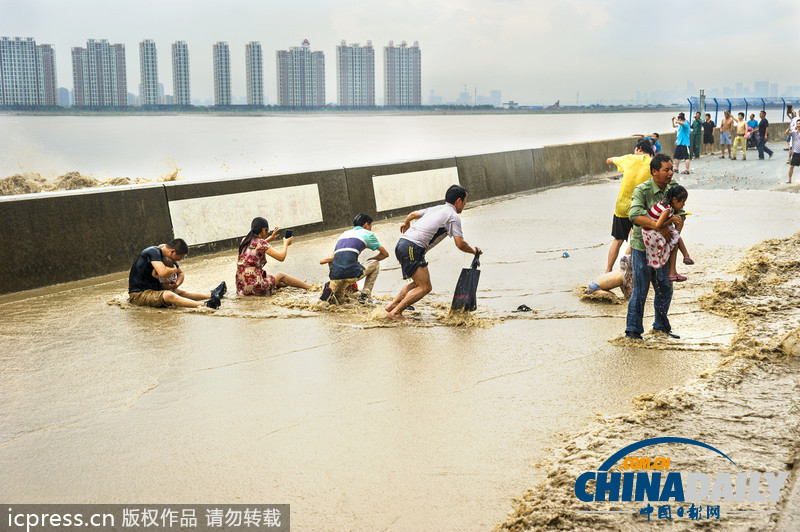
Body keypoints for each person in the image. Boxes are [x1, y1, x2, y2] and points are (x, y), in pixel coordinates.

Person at [385, 185, 480, 322]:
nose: (465, 204)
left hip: (401, 244)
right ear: (458, 201)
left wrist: (406, 223)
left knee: (418, 283)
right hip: (413, 248)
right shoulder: (453, 216)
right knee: (425, 287)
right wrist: (474, 251)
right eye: (465, 201)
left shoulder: (437, 208)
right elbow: (460, 244)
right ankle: (396, 312)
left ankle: (392, 306)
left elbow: (412, 215)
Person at [624, 153, 686, 340]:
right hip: (642, 247)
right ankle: (633, 331)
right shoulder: (642, 190)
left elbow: (680, 212)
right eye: (666, 170)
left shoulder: (673, 188)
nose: (670, 173)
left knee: (665, 287)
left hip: (663, 248)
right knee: (640, 289)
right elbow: (634, 215)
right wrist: (660, 226)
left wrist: (674, 227)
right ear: (654, 172)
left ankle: (660, 327)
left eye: (671, 169)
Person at [128, 238, 226, 309]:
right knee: (169, 295)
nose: (179, 260)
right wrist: (174, 270)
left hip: (154, 289)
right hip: (139, 294)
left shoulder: (167, 257)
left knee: (180, 292)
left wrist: (176, 284)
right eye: (180, 258)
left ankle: (212, 295)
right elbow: (163, 273)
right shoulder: (152, 252)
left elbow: (181, 273)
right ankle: (206, 305)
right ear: (173, 252)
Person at [604, 138, 654, 273]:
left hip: (622, 207)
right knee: (635, 240)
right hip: (640, 209)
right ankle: (625, 270)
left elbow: (609, 160)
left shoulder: (628, 159)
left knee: (618, 239)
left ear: (639, 149)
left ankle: (608, 271)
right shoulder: (653, 164)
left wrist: (614, 160)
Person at [319, 213, 389, 304]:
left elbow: (332, 258)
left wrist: (335, 274)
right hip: (350, 273)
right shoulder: (368, 234)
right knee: (375, 263)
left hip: (336, 274)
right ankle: (365, 296)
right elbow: (385, 254)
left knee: (339, 301)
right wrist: (370, 260)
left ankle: (331, 291)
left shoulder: (344, 234)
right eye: (370, 226)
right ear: (366, 225)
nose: (371, 228)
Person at [236, 217, 311, 296]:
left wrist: (270, 238)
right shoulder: (261, 243)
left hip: (241, 287)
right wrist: (286, 243)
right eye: (267, 230)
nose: (268, 232)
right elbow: (281, 257)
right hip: (255, 288)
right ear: (263, 230)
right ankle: (309, 287)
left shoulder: (244, 240)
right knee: (280, 275)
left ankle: (298, 283)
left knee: (268, 276)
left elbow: (255, 247)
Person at [640, 185, 692, 281]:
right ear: (675, 200)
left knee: (675, 237)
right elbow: (657, 225)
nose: (683, 205)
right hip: (650, 234)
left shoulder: (665, 203)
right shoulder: (667, 209)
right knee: (675, 241)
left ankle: (683, 259)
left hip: (650, 231)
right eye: (683, 202)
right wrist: (671, 219)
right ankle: (679, 264)